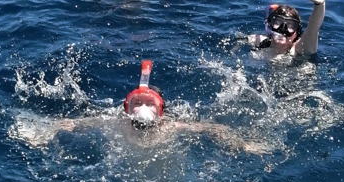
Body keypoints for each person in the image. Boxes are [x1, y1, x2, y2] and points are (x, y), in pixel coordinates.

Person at [16, 60, 271, 156]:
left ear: (162, 111)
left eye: (149, 103)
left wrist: (243, 144)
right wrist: (45, 132)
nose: (143, 108)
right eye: (137, 103)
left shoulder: (172, 127)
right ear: (126, 107)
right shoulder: (114, 122)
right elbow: (73, 123)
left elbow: (212, 128)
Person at [248, 0, 326, 57]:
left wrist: (320, 5)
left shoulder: (299, 50)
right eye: (278, 22)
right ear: (270, 24)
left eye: (290, 25)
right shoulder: (258, 41)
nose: (282, 29)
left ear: (296, 33)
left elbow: (312, 30)